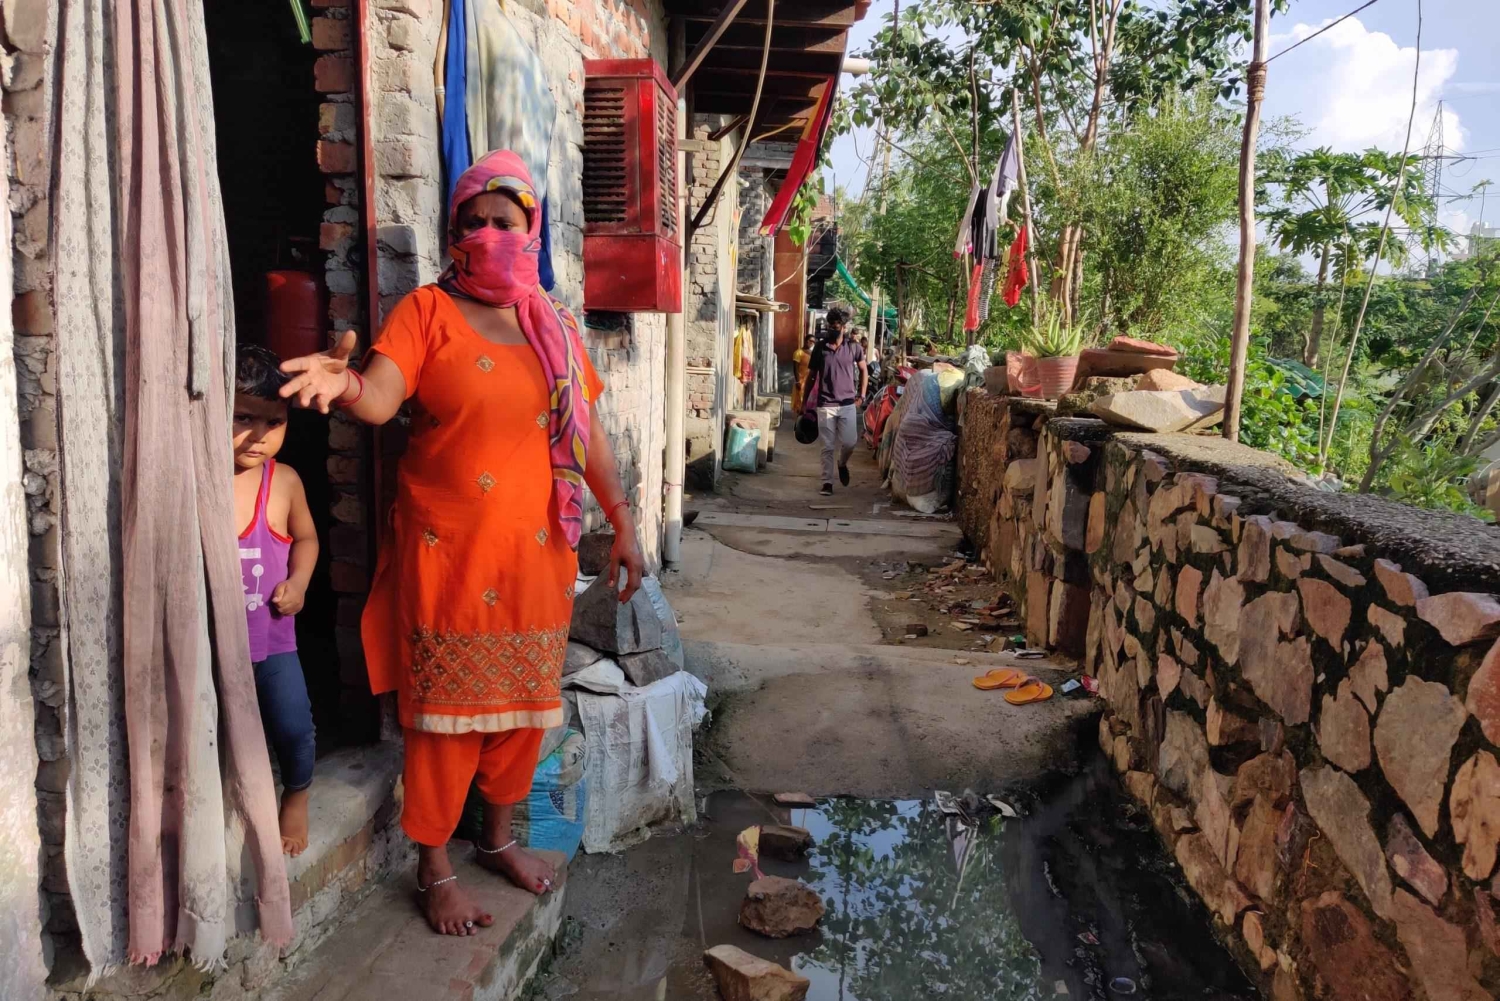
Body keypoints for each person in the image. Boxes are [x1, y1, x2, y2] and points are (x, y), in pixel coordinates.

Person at [276, 150, 646, 937]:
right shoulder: (426, 312)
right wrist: (343, 384)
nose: (487, 234)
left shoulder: (555, 325)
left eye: (503, 222)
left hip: (536, 550)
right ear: (454, 233)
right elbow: (379, 394)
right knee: (446, 717)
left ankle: (499, 837)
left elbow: (590, 436)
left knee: (521, 711)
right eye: (471, 222)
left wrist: (624, 520)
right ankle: (435, 867)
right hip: (449, 550)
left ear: (531, 229)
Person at [232, 345, 320, 857]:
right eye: (244, 417)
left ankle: (298, 792)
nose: (261, 435)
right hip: (213, 644)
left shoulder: (282, 482)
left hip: (273, 639)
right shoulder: (197, 483)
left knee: (292, 723)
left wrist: (301, 582)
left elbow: (306, 538)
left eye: (276, 421)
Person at [804, 304, 868, 496]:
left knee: (849, 442)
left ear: (844, 327)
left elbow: (864, 370)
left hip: (847, 403)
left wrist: (862, 395)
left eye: (836, 325)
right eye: (830, 325)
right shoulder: (820, 348)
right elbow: (812, 375)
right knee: (827, 446)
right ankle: (827, 483)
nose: (833, 328)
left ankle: (842, 463)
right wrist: (804, 402)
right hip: (825, 405)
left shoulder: (854, 348)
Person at [790, 332, 814, 414]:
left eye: (814, 342)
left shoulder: (813, 354)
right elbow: (795, 368)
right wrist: (797, 381)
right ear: (806, 341)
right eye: (810, 341)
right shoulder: (798, 353)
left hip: (810, 381)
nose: (812, 343)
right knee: (799, 404)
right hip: (801, 382)